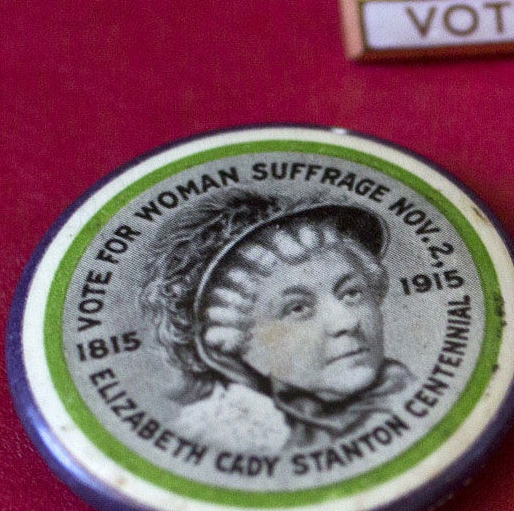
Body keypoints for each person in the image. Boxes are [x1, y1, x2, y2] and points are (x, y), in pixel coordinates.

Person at [141, 192, 413, 457]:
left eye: (352, 292)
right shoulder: (225, 440)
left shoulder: (409, 393)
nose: (347, 321)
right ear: (229, 347)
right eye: (297, 308)